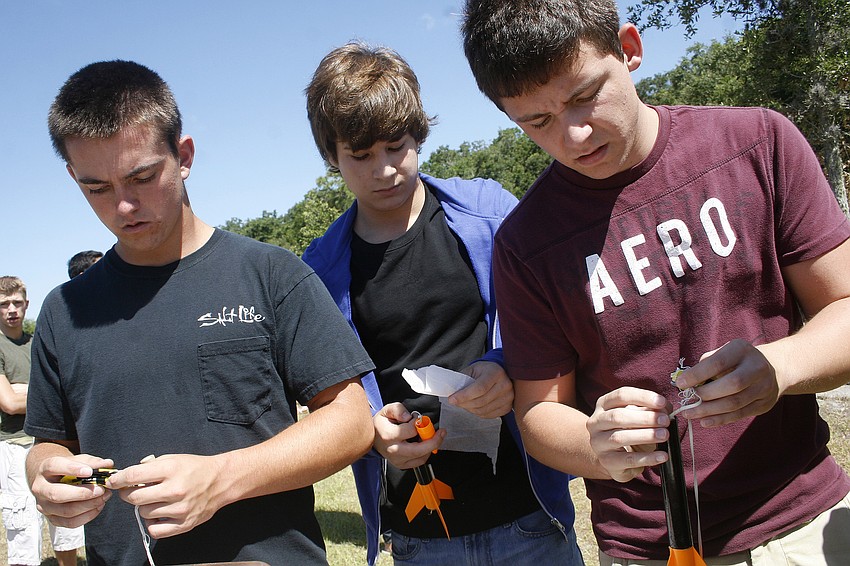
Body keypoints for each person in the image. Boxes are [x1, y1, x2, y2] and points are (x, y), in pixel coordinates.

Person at [460, 1, 850, 564]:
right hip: (648, 546)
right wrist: (597, 445)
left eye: (584, 95)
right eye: (536, 122)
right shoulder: (527, 242)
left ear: (630, 49)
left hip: (798, 522)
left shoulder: (757, 143)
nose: (574, 135)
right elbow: (541, 413)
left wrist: (778, 368)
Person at [24, 60, 376, 566]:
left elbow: (350, 419)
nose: (123, 206)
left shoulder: (270, 274)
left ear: (183, 156)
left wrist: (222, 478)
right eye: (96, 187)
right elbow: (49, 442)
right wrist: (48, 474)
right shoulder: (65, 311)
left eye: (142, 177)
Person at [301, 42, 582, 566]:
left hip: (529, 516)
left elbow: (556, 318)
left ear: (419, 135)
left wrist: (505, 368)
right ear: (332, 157)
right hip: (419, 535)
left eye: (396, 146)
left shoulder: (490, 213)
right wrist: (372, 434)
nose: (384, 170)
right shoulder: (319, 269)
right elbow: (333, 394)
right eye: (360, 156)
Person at [0, 276, 85, 566]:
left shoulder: (36, 341)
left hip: (51, 441)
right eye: (4, 304)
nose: (11, 309)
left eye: (17, 302)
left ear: (27, 304)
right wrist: (42, 395)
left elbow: (67, 393)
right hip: (14, 444)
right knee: (23, 523)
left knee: (66, 519)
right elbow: (9, 403)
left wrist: (24, 390)